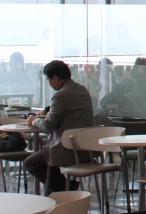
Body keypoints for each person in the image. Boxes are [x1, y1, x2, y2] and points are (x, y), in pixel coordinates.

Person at [25, 60, 95, 193]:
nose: (49, 83)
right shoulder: (82, 90)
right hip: (87, 149)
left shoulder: (60, 95)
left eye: (48, 79)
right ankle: (60, 191)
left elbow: (48, 125)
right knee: (48, 163)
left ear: (55, 78)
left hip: (67, 150)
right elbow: (69, 108)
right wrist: (47, 110)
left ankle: (65, 188)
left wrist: (34, 120)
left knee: (31, 163)